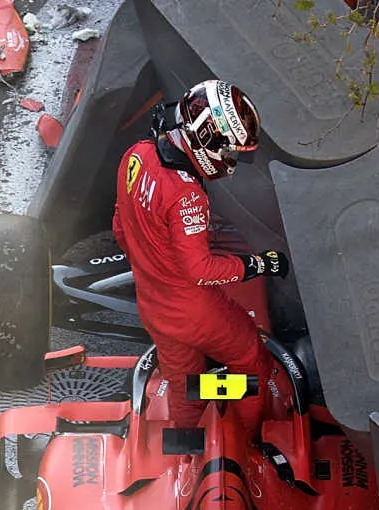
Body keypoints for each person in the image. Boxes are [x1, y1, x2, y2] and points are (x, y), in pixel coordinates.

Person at [111, 78, 292, 428]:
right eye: (230, 150)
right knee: (253, 361)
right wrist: (259, 265)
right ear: (207, 142)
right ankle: (252, 436)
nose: (232, 159)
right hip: (194, 309)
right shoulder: (187, 194)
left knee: (183, 383)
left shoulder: (135, 155)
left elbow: (121, 227)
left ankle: (187, 451)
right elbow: (201, 269)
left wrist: (154, 262)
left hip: (152, 305)